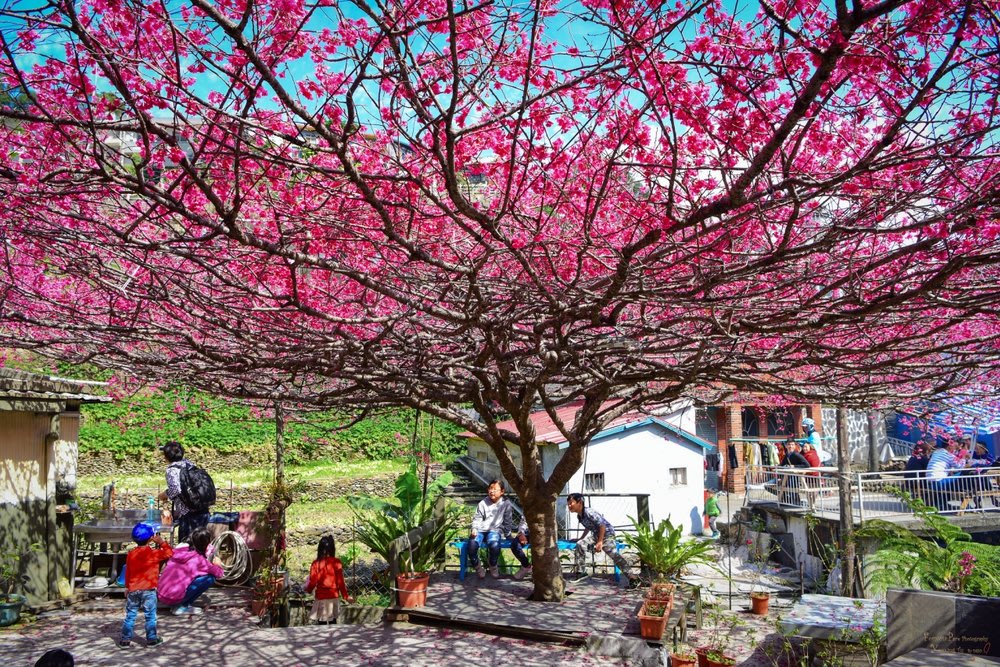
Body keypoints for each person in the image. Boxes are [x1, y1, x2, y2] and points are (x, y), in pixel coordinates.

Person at [118, 523, 172, 649]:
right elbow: (169, 553)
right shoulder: (154, 554)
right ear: (150, 539)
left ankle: (125, 640)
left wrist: (127, 587)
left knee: (130, 615)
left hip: (133, 590)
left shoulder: (131, 554)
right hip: (149, 590)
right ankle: (152, 639)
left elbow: (128, 572)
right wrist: (162, 542)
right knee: (150, 616)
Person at [566, 493, 635, 584]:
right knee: (580, 543)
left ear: (580, 503)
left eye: (571, 503)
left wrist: (600, 542)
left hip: (607, 534)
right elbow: (588, 526)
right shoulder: (579, 516)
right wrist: (581, 538)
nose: (569, 505)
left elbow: (602, 525)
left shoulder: (589, 512)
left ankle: (632, 578)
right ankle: (582, 571)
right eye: (568, 504)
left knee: (613, 554)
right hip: (597, 535)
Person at [157, 526, 224, 615]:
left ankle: (177, 601)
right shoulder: (200, 561)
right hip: (173, 598)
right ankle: (182, 606)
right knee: (210, 578)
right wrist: (218, 564)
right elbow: (219, 574)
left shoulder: (179, 550)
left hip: (161, 594)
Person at [157, 440, 210, 543]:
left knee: (187, 547)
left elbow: (175, 489)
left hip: (189, 515)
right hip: (203, 510)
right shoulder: (189, 464)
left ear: (166, 457)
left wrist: (164, 495)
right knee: (201, 544)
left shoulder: (171, 470)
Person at [468, 479, 513, 579]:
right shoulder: (483, 503)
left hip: (494, 530)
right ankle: (478, 567)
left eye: (495, 489)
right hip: (480, 530)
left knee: (494, 545)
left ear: (502, 491)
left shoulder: (506, 503)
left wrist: (508, 534)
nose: (491, 491)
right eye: (490, 488)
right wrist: (474, 528)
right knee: (471, 545)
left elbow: (508, 521)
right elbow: (477, 518)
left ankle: (493, 565)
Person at [304, 535, 353, 623]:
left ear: (320, 549)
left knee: (321, 623)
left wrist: (307, 590)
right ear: (332, 549)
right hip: (333, 597)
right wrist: (346, 596)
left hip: (321, 598)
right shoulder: (337, 562)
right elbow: (341, 582)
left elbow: (312, 582)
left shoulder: (316, 563)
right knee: (333, 622)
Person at [926, 440, 967, 509]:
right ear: (949, 446)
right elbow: (960, 466)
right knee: (964, 473)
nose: (954, 448)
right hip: (939, 482)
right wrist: (964, 456)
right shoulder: (948, 455)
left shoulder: (937, 452)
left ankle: (943, 503)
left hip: (930, 482)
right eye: (954, 446)